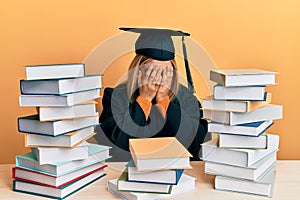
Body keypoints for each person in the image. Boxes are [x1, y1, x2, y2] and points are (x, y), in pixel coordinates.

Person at [96, 28, 208, 161]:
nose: (159, 78)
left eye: (165, 71)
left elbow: (198, 147)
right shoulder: (116, 96)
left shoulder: (186, 98)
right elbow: (115, 148)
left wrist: (164, 102)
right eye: (152, 71)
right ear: (138, 71)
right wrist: (144, 99)